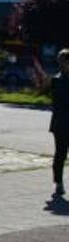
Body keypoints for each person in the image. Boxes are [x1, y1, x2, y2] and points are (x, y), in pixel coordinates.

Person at [52, 48, 69, 197]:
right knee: (60, 154)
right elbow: (61, 102)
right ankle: (58, 183)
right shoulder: (57, 80)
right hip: (61, 124)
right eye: (64, 61)